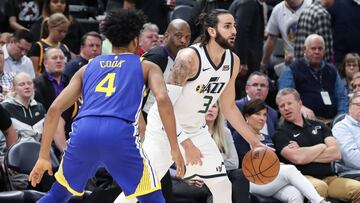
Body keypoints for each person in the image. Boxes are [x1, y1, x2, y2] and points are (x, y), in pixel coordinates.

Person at [28, 9, 185, 203]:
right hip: (119, 133)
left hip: (84, 131)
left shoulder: (87, 67)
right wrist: (174, 147)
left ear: (108, 40)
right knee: (152, 198)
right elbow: (162, 100)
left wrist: (43, 156)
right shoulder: (146, 66)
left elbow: (53, 109)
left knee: (58, 195)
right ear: (135, 41)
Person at [115, 9, 267, 203]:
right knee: (139, 188)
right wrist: (185, 144)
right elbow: (165, 106)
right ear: (212, 31)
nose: (234, 31)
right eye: (227, 26)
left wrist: (253, 141)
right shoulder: (189, 58)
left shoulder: (233, 61)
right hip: (164, 129)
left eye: (234, 26)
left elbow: (228, 107)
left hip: (196, 129)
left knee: (222, 186)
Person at [273, 88, 360, 202]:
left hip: (331, 178)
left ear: (300, 103)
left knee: (358, 189)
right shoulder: (280, 133)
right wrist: (322, 146)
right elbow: (297, 158)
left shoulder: (319, 125)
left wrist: (304, 152)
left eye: (289, 103)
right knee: (320, 187)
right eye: (281, 106)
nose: (286, 108)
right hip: (303, 178)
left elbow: (336, 153)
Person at [243, 99, 329, 203]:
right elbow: (242, 164)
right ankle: (319, 201)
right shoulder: (240, 136)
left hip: (270, 180)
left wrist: (296, 148)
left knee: (295, 195)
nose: (262, 118)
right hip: (250, 181)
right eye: (257, 114)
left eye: (264, 115)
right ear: (247, 116)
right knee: (289, 170)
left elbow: (276, 160)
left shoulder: (267, 137)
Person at [278, 34, 348, 122]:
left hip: (331, 121)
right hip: (303, 120)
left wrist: (341, 118)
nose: (317, 51)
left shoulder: (332, 70)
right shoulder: (292, 69)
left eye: (320, 48)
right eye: (313, 48)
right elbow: (284, 96)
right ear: (305, 49)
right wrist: (300, 108)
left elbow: (342, 96)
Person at [206, 101, 250, 203]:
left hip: (224, 174)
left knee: (240, 174)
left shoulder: (225, 132)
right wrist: (222, 158)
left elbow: (234, 163)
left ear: (218, 111)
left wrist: (212, 163)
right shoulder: (195, 132)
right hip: (204, 177)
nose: (210, 109)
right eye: (207, 106)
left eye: (214, 106)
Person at [229, 71, 278, 162]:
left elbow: (275, 139)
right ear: (247, 88)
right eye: (255, 85)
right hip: (244, 159)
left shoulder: (273, 113)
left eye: (263, 85)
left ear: (268, 90)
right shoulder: (233, 108)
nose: (259, 88)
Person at [260, 0, 312, 71]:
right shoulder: (277, 10)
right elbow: (272, 39)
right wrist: (263, 64)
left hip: (311, 60)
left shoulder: (312, 5)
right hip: (290, 63)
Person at [332, 92, 360, 181]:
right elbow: (352, 158)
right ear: (350, 107)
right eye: (358, 105)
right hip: (352, 174)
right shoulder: (341, 127)